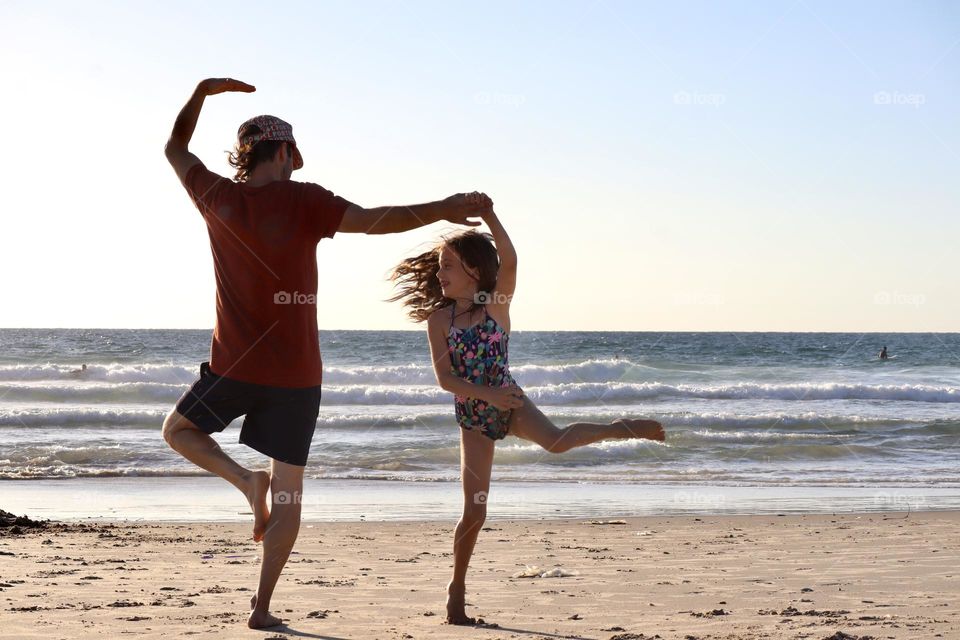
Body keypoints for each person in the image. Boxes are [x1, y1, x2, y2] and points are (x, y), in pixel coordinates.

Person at [160, 77, 493, 630]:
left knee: (177, 431)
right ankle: (261, 607)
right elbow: (377, 220)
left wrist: (200, 93)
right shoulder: (306, 200)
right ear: (286, 151)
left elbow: (175, 147)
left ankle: (245, 482)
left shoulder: (217, 197)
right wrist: (444, 207)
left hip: (235, 365)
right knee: (289, 498)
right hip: (296, 377)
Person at [388, 203, 666, 625]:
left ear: (475, 273)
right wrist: (488, 397)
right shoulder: (438, 319)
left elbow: (510, 259)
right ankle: (456, 588)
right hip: (475, 416)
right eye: (440, 266)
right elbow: (446, 379)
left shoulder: (496, 305)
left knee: (556, 442)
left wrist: (491, 217)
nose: (440, 274)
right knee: (475, 509)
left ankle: (619, 428)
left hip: (511, 402)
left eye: (448, 266)